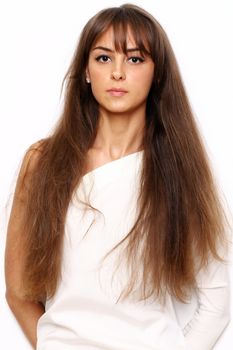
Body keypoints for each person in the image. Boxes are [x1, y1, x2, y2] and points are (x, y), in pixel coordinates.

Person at [4, 3, 231, 350]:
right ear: (86, 70)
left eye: (136, 58)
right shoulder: (43, 162)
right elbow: (18, 290)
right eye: (104, 57)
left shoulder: (178, 170)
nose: (118, 73)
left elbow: (217, 299)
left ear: (157, 73)